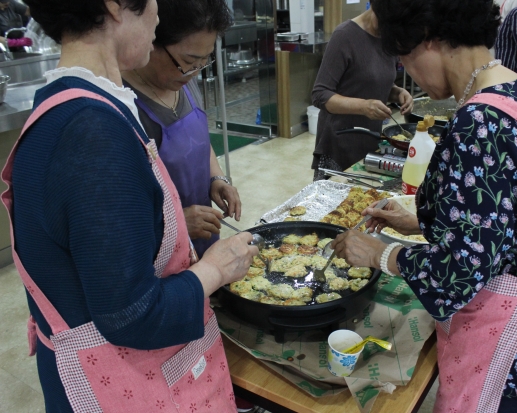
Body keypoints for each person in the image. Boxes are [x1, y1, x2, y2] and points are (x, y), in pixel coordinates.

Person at [333, 0, 517, 411]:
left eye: (404, 58)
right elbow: (509, 216)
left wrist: (379, 254)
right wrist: (420, 222)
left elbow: (458, 274)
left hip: (512, 340)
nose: (410, 73)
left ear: (427, 39)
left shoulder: (481, 123)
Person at [6, 0, 257, 411]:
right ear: (116, 6)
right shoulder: (93, 133)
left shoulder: (73, 104)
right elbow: (131, 315)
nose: (159, 14)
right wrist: (216, 268)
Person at [122, 0, 240, 258]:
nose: (195, 72)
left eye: (204, 62)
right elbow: (119, 217)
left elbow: (198, 139)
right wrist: (174, 222)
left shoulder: (183, 80)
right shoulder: (122, 104)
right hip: (160, 252)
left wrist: (216, 178)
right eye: (189, 61)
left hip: (203, 237)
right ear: (151, 40)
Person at [311, 2, 413, 181]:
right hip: (339, 144)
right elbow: (320, 94)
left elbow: (371, 82)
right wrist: (363, 106)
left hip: (369, 141)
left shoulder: (388, 38)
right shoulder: (344, 36)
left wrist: (397, 93)